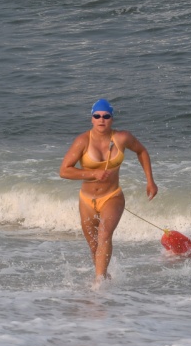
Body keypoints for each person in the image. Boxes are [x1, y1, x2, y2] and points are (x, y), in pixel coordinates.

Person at [59, 99, 158, 280]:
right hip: (86, 200)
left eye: (106, 116)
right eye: (97, 116)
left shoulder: (122, 138)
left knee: (104, 234)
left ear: (112, 119)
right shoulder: (82, 141)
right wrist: (93, 173)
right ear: (92, 119)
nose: (101, 119)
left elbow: (141, 151)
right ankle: (104, 278)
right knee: (94, 246)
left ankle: (98, 283)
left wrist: (150, 181)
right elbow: (64, 171)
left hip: (112, 196)